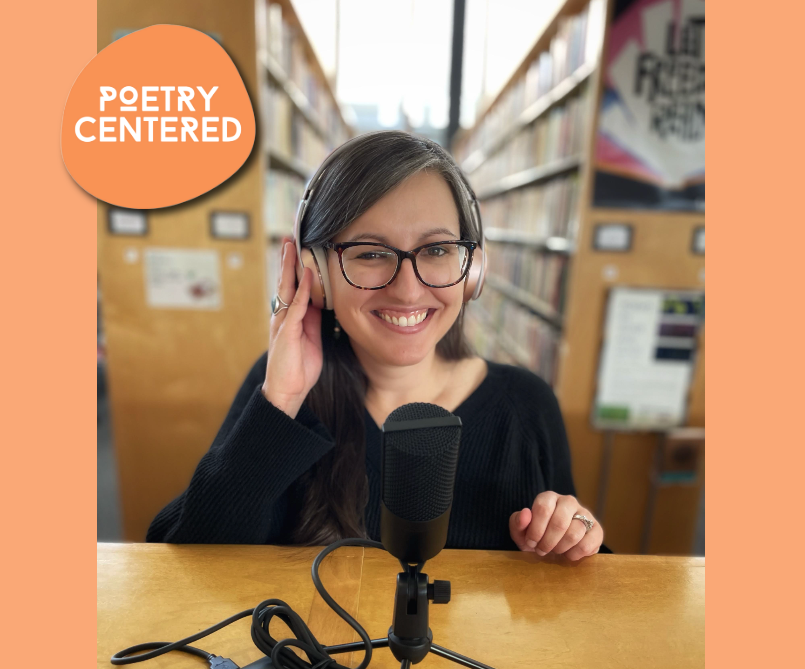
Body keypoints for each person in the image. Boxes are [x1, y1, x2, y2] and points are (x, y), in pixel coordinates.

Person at [147, 131, 608, 559]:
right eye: (370, 253)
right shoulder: (281, 394)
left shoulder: (527, 407)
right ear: (317, 275)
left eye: (437, 250)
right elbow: (186, 567)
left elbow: (576, 589)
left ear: (473, 270)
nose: (407, 290)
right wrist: (280, 402)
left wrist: (573, 535)